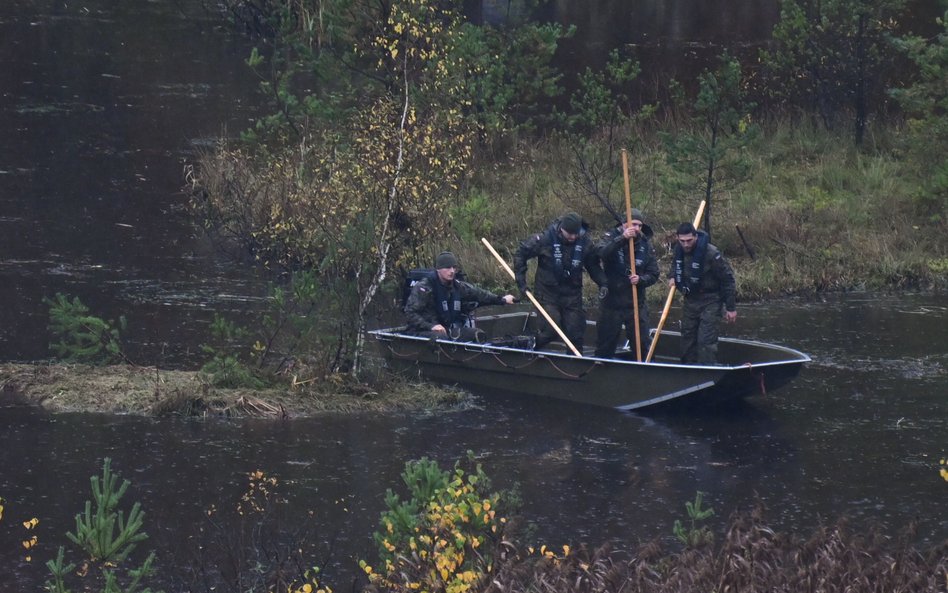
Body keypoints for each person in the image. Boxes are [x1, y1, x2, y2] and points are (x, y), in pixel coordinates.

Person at [514, 212, 607, 352]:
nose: (573, 237)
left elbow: (593, 265)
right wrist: (521, 282)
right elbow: (521, 254)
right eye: (569, 233)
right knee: (551, 330)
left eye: (576, 234)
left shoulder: (585, 243)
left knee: (576, 333)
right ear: (561, 229)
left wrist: (603, 283)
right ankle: (529, 347)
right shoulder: (545, 239)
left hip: (572, 295)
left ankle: (575, 366)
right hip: (547, 294)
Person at [404, 251, 515, 341]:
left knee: (477, 334)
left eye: (454, 268)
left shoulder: (457, 286)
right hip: (423, 330)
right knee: (441, 337)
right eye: (447, 268)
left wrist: (502, 300)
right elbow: (410, 313)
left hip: (446, 330)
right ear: (438, 269)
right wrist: (430, 326)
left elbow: (479, 294)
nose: (451, 271)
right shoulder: (424, 288)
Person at [594, 209, 660, 358]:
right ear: (624, 224)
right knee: (605, 344)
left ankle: (645, 371)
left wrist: (641, 280)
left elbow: (654, 273)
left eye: (639, 225)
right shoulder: (611, 237)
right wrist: (622, 239)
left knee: (642, 344)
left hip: (635, 303)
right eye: (633, 224)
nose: (636, 228)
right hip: (612, 302)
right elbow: (601, 253)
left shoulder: (645, 245)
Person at [668, 222, 737, 364]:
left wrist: (730, 308)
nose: (686, 245)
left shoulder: (711, 253)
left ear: (696, 237)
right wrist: (672, 276)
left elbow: (727, 280)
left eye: (689, 240)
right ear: (678, 239)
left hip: (711, 300)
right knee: (687, 336)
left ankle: (707, 369)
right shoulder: (678, 250)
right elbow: (675, 265)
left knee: (706, 340)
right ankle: (688, 369)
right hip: (690, 300)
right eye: (682, 241)